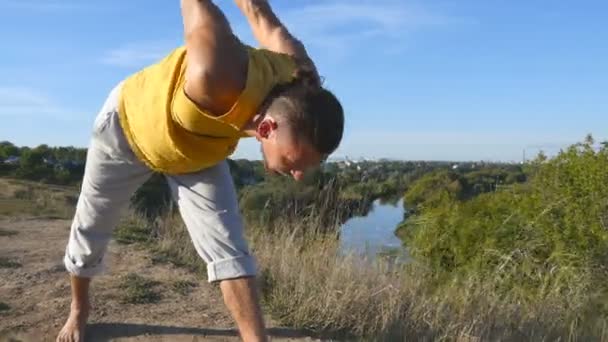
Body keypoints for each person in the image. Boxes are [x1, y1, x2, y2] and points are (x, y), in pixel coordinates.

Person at [56, 1, 344, 341]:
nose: (297, 176)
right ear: (265, 130)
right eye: (294, 163)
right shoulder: (216, 68)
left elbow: (258, 12)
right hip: (127, 129)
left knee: (229, 245)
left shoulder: (301, 75)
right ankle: (79, 309)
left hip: (197, 152)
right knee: (91, 227)